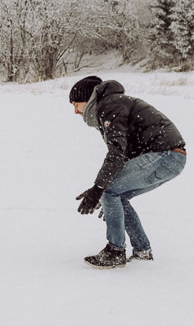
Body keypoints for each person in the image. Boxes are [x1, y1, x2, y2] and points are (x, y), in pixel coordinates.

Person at [70, 75, 186, 269]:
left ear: (89, 98)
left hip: (164, 155)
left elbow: (116, 153)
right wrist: (104, 198)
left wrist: (99, 189)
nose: (75, 111)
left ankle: (115, 252)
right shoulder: (113, 105)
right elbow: (124, 154)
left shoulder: (110, 106)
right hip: (172, 158)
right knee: (117, 196)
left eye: (76, 104)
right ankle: (142, 250)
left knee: (110, 192)